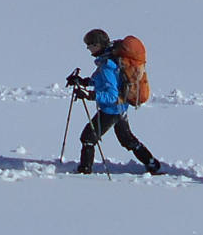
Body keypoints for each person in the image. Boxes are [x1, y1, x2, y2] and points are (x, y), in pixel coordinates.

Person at [66, 28, 163, 174]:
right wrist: (84, 82)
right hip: (120, 108)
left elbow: (112, 95)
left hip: (111, 110)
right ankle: (152, 164)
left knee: (87, 138)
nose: (88, 48)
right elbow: (102, 82)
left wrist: (90, 95)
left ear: (98, 45)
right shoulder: (111, 59)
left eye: (89, 45)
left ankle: (84, 171)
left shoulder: (107, 66)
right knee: (127, 139)